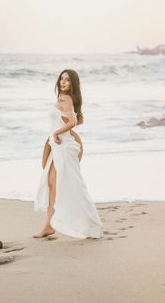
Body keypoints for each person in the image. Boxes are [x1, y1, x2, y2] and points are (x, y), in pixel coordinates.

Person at [33, 69, 103, 239]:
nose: (63, 82)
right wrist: (57, 131)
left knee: (70, 186)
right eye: (61, 79)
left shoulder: (66, 98)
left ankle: (89, 224)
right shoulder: (65, 99)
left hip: (62, 147)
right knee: (52, 185)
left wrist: (56, 133)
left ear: (73, 84)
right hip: (59, 146)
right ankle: (49, 226)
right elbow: (78, 120)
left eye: (67, 80)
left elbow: (72, 122)